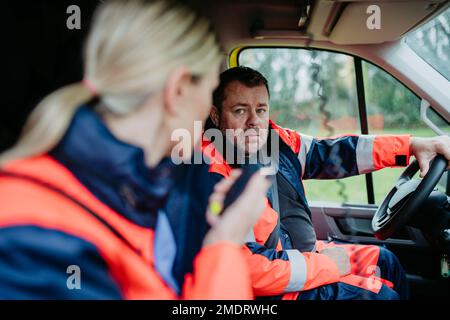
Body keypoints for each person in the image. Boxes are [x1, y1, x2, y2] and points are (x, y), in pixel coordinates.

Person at [0, 1, 270, 299]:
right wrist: (225, 246)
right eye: (207, 93)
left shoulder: (139, 192)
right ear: (178, 89)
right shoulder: (33, 238)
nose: (207, 112)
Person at [202, 66, 450, 300]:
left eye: (261, 110)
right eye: (240, 111)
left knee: (385, 261)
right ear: (216, 114)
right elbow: (247, 267)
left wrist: (410, 146)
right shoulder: (210, 174)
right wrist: (326, 266)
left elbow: (337, 153)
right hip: (270, 286)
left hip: (303, 255)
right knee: (382, 296)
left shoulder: (278, 143)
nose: (254, 121)